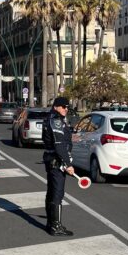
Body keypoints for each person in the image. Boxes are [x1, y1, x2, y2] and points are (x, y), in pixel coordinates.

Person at [41, 97, 75, 237]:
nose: (66, 109)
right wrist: (68, 164)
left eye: (67, 107)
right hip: (57, 161)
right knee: (57, 193)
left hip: (52, 159)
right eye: (63, 106)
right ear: (56, 106)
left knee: (51, 191)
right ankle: (56, 226)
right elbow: (59, 145)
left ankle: (51, 222)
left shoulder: (51, 118)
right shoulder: (55, 121)